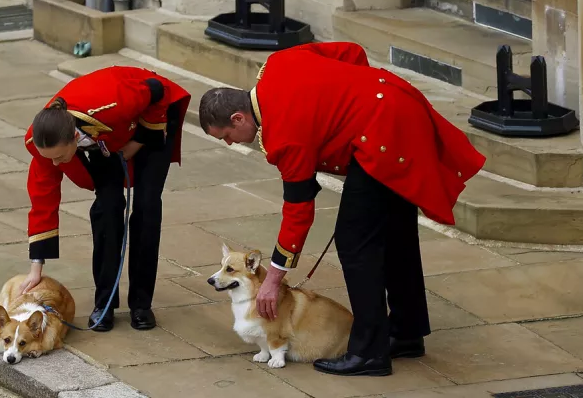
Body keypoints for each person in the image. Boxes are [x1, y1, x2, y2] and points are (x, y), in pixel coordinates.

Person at [197, 42, 485, 376]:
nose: (232, 143)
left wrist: (273, 279)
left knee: (355, 242)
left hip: (383, 136)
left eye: (228, 136)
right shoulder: (278, 63)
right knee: (395, 232)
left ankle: (369, 353)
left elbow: (299, 212)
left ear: (238, 117)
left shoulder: (284, 136)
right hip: (397, 103)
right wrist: (355, 98)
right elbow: (351, 52)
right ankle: (406, 333)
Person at [20, 65, 190, 332]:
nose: (54, 163)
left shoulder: (114, 102)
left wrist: (137, 143)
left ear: (74, 137)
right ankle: (105, 303)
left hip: (149, 119)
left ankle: (141, 305)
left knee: (146, 206)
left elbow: (159, 91)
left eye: (59, 156)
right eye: (49, 157)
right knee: (107, 208)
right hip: (106, 139)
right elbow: (42, 202)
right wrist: (36, 268)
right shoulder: (43, 143)